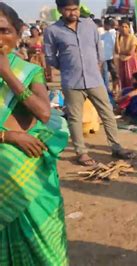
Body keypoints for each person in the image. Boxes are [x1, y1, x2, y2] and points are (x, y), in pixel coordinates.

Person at [0, 3, 69, 264]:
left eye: (4, 30)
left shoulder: (30, 72)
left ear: (19, 33)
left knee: (46, 249)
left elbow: (43, 112)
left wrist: (7, 74)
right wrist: (9, 137)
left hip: (31, 177)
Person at [44, 0, 135, 166]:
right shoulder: (52, 31)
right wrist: (68, 67)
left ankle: (116, 147)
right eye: (68, 10)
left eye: (75, 9)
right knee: (75, 118)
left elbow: (98, 50)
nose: (73, 13)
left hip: (94, 79)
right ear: (60, 10)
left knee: (107, 113)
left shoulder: (89, 25)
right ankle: (81, 152)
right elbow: (50, 57)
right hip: (72, 82)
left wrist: (96, 65)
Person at [115, 19, 137, 89]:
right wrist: (116, 37)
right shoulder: (120, 38)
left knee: (131, 80)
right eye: (122, 27)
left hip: (132, 62)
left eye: (126, 27)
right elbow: (116, 51)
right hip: (122, 62)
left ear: (129, 28)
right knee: (123, 81)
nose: (124, 28)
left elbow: (130, 52)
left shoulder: (133, 38)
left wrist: (121, 52)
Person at [102, 18, 120, 97]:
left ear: (108, 25)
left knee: (115, 75)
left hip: (112, 57)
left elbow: (115, 45)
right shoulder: (106, 34)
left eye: (104, 24)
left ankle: (115, 90)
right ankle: (114, 90)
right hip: (108, 57)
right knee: (113, 75)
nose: (103, 26)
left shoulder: (113, 33)